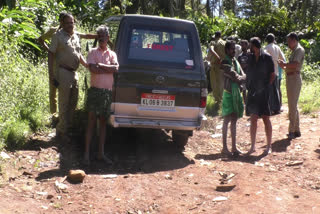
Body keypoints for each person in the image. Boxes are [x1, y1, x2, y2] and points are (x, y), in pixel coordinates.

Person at [39, 12, 97, 116]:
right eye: (65, 22)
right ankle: (54, 115)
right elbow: (41, 40)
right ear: (61, 21)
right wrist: (52, 52)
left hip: (69, 69)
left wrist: (99, 35)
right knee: (54, 91)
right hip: (58, 66)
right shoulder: (54, 32)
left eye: (72, 22)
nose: (69, 24)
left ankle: (63, 121)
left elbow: (81, 42)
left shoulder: (73, 33)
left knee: (69, 98)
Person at [48, 13, 88, 142]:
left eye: (72, 22)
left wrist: (87, 65)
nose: (70, 25)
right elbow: (51, 54)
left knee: (73, 102)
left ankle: (67, 128)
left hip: (74, 73)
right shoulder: (57, 36)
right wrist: (51, 74)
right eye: (67, 23)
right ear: (62, 23)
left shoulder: (76, 36)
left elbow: (78, 54)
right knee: (64, 102)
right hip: (63, 72)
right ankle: (61, 131)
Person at [83, 25, 119, 165]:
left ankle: (100, 154)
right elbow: (92, 69)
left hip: (107, 93)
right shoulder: (92, 52)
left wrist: (101, 66)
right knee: (91, 122)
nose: (102, 38)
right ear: (97, 37)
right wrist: (107, 68)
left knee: (103, 124)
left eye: (104, 36)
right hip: (95, 91)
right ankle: (86, 154)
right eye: (100, 36)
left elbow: (116, 68)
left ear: (108, 38)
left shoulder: (112, 54)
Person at [246, 37, 275, 155]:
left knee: (265, 118)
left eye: (251, 46)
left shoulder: (267, 57)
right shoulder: (251, 58)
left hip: (264, 92)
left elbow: (272, 75)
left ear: (255, 46)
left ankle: (268, 146)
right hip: (253, 92)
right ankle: (252, 146)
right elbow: (249, 73)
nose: (249, 48)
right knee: (253, 118)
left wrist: (267, 87)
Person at [220, 40, 246, 156]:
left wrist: (242, 77)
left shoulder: (234, 61)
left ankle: (234, 147)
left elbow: (242, 75)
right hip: (229, 93)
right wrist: (242, 77)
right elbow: (236, 76)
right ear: (226, 50)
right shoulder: (225, 61)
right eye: (231, 49)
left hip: (235, 93)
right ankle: (225, 148)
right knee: (226, 120)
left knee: (234, 119)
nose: (233, 51)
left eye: (234, 49)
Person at [279, 32, 305, 139]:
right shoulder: (294, 50)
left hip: (294, 79)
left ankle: (291, 131)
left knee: (292, 106)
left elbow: (295, 65)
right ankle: (296, 130)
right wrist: (283, 66)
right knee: (293, 105)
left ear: (294, 40)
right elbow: (290, 66)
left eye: (289, 41)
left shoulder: (299, 50)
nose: (288, 43)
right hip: (291, 78)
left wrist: (284, 64)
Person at [264, 33, 286, 110]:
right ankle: (277, 108)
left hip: (269, 72)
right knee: (276, 89)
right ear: (274, 40)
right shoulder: (277, 47)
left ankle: (270, 108)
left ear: (267, 40)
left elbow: (263, 57)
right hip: (276, 71)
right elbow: (282, 58)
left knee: (269, 90)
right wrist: (276, 61)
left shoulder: (266, 48)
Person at [209, 31, 226, 104]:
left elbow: (211, 50)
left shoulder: (213, 42)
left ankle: (217, 101)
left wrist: (218, 58)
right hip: (222, 66)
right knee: (221, 83)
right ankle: (221, 100)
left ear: (215, 36)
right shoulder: (224, 43)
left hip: (215, 65)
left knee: (214, 83)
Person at [238, 39, 250, 103]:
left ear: (247, 45)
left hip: (250, 75)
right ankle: (245, 103)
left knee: (250, 89)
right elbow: (239, 66)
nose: (242, 46)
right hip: (243, 75)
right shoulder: (240, 56)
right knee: (244, 90)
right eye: (241, 45)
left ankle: (250, 102)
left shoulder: (250, 54)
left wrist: (246, 65)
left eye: (243, 45)